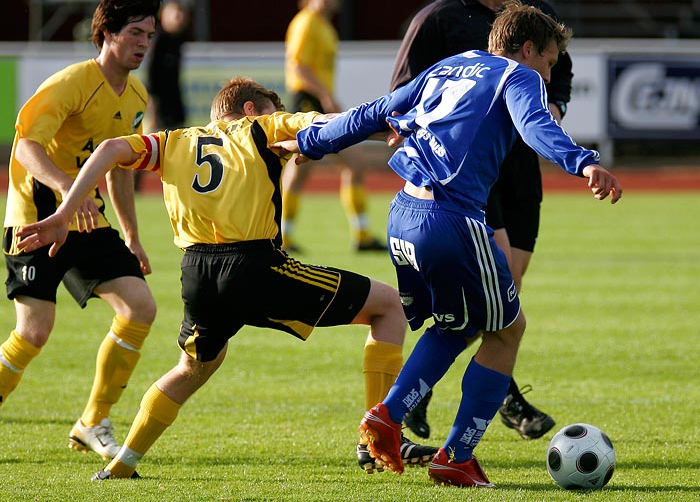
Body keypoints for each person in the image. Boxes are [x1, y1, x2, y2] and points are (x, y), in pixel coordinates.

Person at [15, 77, 437, 480]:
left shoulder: (172, 142)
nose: (279, 118)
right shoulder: (260, 127)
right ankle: (376, 442)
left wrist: (65, 211)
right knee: (387, 308)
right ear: (250, 110)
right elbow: (330, 124)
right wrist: (393, 129)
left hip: (197, 273)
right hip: (255, 266)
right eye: (274, 111)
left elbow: (109, 149)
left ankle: (121, 463)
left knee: (194, 366)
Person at [276, 1, 622, 487]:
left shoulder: (450, 66)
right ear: (527, 50)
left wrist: (313, 141)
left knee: (457, 325)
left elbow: (378, 111)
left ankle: (387, 418)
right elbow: (537, 127)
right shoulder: (516, 77)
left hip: (403, 214)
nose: (548, 74)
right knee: (508, 329)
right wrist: (582, 161)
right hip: (450, 219)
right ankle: (455, 456)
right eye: (548, 62)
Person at [391, 0, 572, 441]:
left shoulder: (538, 14)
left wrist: (549, 107)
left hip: (519, 173)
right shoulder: (435, 20)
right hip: (466, 177)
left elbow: (558, 86)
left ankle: (416, 398)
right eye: (543, 63)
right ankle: (480, 413)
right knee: (495, 306)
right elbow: (402, 95)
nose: (546, 71)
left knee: (500, 297)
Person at [0, 0, 161, 460]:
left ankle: (93, 421)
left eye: (149, 35)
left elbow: (120, 169)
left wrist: (131, 236)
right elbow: (25, 146)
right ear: (106, 33)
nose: (143, 44)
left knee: (140, 308)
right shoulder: (71, 82)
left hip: (86, 219)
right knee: (34, 332)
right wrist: (71, 192)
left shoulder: (135, 94)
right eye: (134, 32)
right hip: (37, 217)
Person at [282, 0, 385, 252]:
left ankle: (361, 235)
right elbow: (298, 67)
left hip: (318, 101)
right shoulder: (305, 23)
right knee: (301, 168)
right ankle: (282, 235)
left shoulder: (325, 26)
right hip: (307, 100)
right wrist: (325, 97)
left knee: (353, 163)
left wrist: (328, 97)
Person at [146, 0, 189, 131]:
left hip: (175, 106)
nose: (180, 18)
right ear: (164, 16)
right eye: (176, 15)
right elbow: (152, 77)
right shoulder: (158, 41)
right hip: (161, 111)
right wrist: (153, 113)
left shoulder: (178, 40)